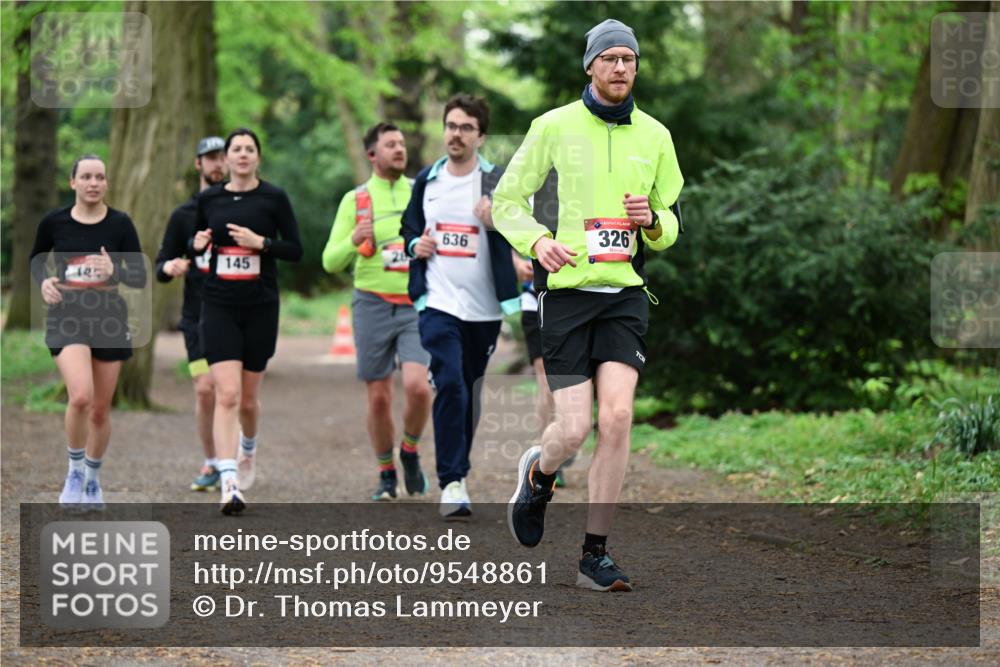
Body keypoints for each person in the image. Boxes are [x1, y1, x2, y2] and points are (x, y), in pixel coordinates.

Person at [494, 19, 684, 591]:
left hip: (624, 295)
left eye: (629, 59)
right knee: (574, 428)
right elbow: (507, 201)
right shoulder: (553, 126)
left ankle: (594, 555)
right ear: (590, 66)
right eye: (610, 58)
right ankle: (539, 471)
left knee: (619, 417)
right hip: (567, 296)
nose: (620, 67)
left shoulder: (655, 136)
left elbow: (671, 220)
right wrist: (537, 242)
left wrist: (653, 222)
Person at [400, 94, 520, 519]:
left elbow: (524, 232)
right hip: (438, 301)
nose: (456, 134)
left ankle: (458, 471)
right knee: (449, 381)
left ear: (481, 136)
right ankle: (452, 481)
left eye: (466, 127)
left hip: (484, 308)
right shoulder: (427, 181)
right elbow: (409, 228)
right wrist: (415, 245)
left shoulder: (497, 182)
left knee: (468, 388)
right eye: (451, 125)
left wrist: (495, 223)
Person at [190, 128, 303, 514]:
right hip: (218, 305)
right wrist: (196, 245)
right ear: (226, 158)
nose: (241, 154)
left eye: (248, 149)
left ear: (257, 157)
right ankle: (229, 482)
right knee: (227, 394)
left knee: (249, 401)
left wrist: (263, 244)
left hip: (260, 307)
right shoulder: (209, 199)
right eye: (235, 149)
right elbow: (194, 242)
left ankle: (248, 449)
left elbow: (296, 249)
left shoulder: (274, 198)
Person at [322, 122, 432, 501]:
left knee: (419, 387)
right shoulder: (356, 200)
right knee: (379, 397)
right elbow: (330, 261)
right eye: (390, 145)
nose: (399, 149)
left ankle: (410, 450)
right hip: (371, 303)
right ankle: (386, 472)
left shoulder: (421, 191)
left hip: (415, 304)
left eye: (401, 143)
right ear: (372, 154)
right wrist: (354, 240)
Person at [30, 154, 147, 510]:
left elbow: (139, 276)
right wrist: (44, 282)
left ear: (106, 183)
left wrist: (115, 271)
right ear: (73, 182)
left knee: (99, 410)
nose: (93, 183)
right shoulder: (54, 222)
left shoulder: (121, 224)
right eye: (86, 177)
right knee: (80, 396)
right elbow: (36, 260)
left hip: (109, 318)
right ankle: (74, 473)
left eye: (99, 177)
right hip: (67, 316)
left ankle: (93, 480)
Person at [154, 136, 227, 492]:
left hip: (235, 315)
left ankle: (239, 454)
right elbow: (160, 266)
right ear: (198, 164)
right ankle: (213, 460)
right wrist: (171, 266)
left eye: (222, 157)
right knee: (205, 390)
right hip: (195, 317)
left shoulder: (242, 210)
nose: (218, 164)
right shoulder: (182, 216)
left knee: (235, 393)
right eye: (210, 158)